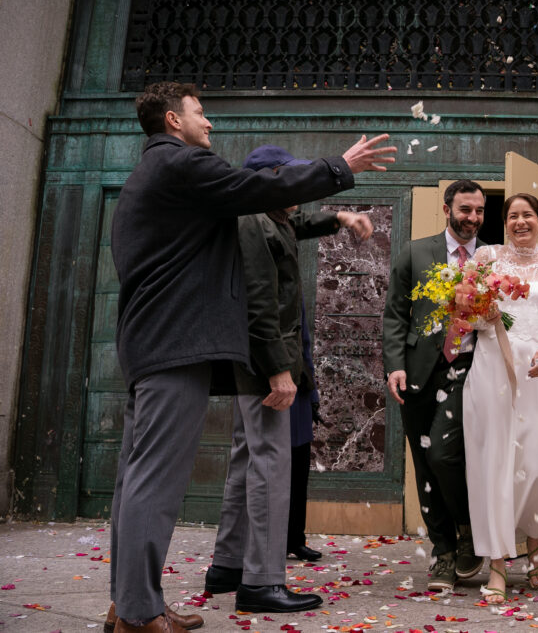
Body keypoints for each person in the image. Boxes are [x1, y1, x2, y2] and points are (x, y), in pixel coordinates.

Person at [107, 81, 395, 633]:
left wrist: (332, 218)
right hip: (175, 346)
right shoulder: (181, 164)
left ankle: (129, 603)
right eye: (200, 112)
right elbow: (258, 191)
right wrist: (341, 165)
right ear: (173, 120)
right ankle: (139, 614)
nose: (209, 123)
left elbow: (273, 221)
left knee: (135, 479)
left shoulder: (158, 176)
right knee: (155, 484)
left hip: (153, 344)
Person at [202, 145, 374, 613]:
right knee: (270, 468)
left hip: (254, 363)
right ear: (269, 180)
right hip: (263, 365)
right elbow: (257, 300)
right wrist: (280, 369)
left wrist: (338, 216)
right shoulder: (253, 220)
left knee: (246, 460)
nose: (299, 189)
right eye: (291, 180)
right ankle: (260, 580)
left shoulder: (265, 217)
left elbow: (297, 225)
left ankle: (228, 565)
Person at [460, 193, 538, 605]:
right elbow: (467, 315)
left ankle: (534, 546)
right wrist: (482, 313)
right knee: (494, 462)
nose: (520, 222)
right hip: (493, 364)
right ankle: (496, 563)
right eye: (513, 216)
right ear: (505, 222)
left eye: (527, 215)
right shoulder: (486, 256)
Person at [382, 180, 488, 591]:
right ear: (447, 210)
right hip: (417, 372)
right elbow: (394, 314)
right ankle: (443, 551)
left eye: (479, 211)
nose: (473, 218)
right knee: (424, 464)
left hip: (469, 369)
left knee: (444, 453)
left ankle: (467, 531)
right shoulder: (415, 251)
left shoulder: (491, 258)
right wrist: (395, 366)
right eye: (465, 210)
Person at [287, 300, 323, 562]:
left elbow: (305, 344)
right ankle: (271, 542)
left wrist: (312, 395)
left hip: (298, 393)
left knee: (299, 473)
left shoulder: (293, 290)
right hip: (269, 390)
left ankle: (295, 539)